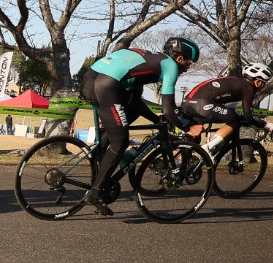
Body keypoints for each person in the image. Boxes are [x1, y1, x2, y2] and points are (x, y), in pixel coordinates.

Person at [80, 37, 200, 215]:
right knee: (120, 142)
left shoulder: (151, 60)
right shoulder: (171, 66)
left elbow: (135, 102)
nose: (187, 68)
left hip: (91, 79)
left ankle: (101, 154)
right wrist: (187, 128)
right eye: (188, 63)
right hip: (105, 86)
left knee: (127, 118)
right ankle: (95, 193)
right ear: (180, 58)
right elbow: (168, 109)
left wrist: (155, 119)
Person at [181, 62, 272, 154]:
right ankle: (208, 147)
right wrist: (264, 124)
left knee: (192, 141)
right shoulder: (248, 87)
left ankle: (184, 160)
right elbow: (248, 117)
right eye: (264, 83)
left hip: (187, 103)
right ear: (258, 82)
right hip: (203, 104)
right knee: (235, 119)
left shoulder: (234, 81)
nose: (264, 86)